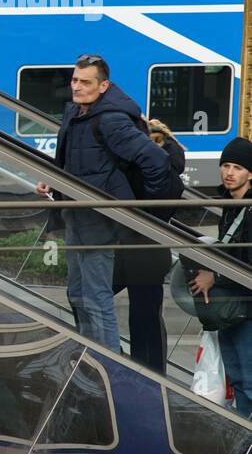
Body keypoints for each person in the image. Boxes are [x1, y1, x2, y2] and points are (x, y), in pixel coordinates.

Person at [36, 54, 169, 352]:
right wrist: (54, 181)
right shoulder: (75, 112)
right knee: (78, 293)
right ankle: (90, 358)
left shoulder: (111, 119)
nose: (77, 87)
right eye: (74, 80)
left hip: (99, 221)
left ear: (103, 85)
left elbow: (157, 160)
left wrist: (146, 209)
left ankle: (110, 366)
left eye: (85, 82)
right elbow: (73, 159)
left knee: (96, 297)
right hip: (75, 216)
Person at [111, 118, 187, 373]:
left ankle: (121, 362)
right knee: (147, 319)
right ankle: (152, 374)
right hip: (153, 251)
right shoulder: (171, 173)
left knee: (91, 297)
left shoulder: (146, 171)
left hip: (136, 248)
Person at [187, 137, 252, 417]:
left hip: (245, 306)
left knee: (248, 377)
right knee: (237, 377)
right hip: (233, 307)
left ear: (250, 173)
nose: (229, 172)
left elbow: (246, 262)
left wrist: (215, 276)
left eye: (237, 167)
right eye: (225, 165)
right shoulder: (230, 205)